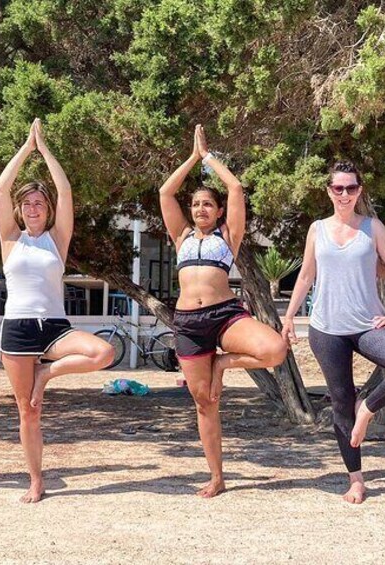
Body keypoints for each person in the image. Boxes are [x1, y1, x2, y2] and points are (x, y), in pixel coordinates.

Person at [281, 162, 385, 504]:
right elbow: (305, 276)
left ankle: (369, 406)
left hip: (367, 324)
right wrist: (289, 317)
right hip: (326, 329)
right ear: (329, 191)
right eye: (338, 188)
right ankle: (356, 479)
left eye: (350, 188)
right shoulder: (317, 229)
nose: (344, 194)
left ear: (360, 191)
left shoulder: (372, 227)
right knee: (341, 403)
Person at [159, 125, 288, 498]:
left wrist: (209, 157)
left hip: (225, 316)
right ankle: (217, 476)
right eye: (196, 204)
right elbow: (166, 191)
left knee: (274, 349)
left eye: (207, 204)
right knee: (206, 402)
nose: (201, 208)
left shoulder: (228, 236)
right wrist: (191, 158)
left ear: (217, 212)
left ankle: (223, 363)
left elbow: (234, 188)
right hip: (188, 323)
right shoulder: (181, 236)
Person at [0, 118, 114, 503]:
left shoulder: (56, 241)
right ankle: (35, 480)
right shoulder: (10, 240)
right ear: (19, 209)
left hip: (55, 329)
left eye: (39, 203)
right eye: (27, 203)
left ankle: (47, 372)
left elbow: (64, 189)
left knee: (103, 352)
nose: (33, 208)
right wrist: (24, 149)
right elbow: (1, 186)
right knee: (28, 411)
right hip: (17, 330)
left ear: (47, 210)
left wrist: (43, 148)